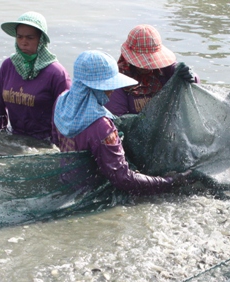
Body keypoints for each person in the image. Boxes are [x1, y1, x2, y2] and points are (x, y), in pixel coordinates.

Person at [52, 51, 188, 195]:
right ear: (94, 87)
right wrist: (169, 182)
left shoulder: (61, 101)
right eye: (107, 86)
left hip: (67, 181)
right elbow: (122, 178)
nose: (112, 91)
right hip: (91, 192)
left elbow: (55, 139)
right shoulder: (101, 127)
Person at [0, 11, 71, 141]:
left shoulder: (56, 73)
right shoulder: (8, 66)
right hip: (15, 137)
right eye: (19, 37)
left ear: (41, 40)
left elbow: (66, 117)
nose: (23, 42)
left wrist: (55, 149)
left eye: (30, 38)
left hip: (45, 141)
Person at [104, 24, 198, 116]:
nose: (147, 66)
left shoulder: (166, 70)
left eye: (152, 60)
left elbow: (194, 84)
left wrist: (190, 75)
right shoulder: (117, 83)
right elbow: (117, 118)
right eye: (142, 61)